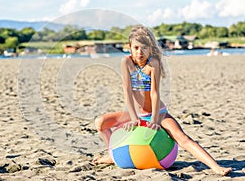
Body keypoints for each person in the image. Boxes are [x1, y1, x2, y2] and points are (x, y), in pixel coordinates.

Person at [92, 25, 232, 176]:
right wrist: (133, 118)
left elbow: (155, 93)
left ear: (150, 48)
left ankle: (215, 166)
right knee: (101, 123)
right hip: (136, 113)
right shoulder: (126, 62)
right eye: (136, 48)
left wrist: (154, 119)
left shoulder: (153, 64)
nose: (140, 52)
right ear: (129, 47)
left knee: (182, 138)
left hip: (157, 112)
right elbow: (127, 91)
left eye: (144, 48)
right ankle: (113, 157)